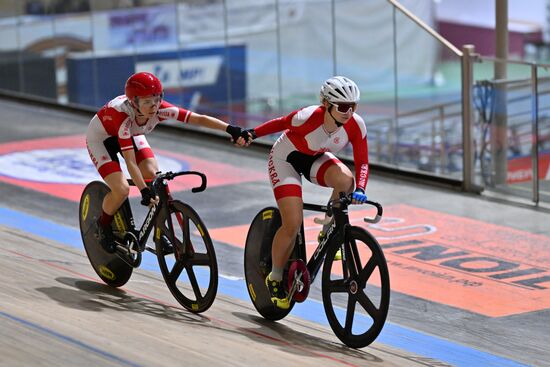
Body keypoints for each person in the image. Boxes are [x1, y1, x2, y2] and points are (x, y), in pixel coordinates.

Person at [86, 71, 249, 252]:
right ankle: (102, 225)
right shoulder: (123, 117)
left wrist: (230, 129)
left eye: (156, 99)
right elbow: (130, 162)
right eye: (147, 102)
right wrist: (143, 191)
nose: (154, 106)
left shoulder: (162, 109)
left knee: (154, 176)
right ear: (134, 102)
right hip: (102, 138)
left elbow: (198, 118)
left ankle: (158, 229)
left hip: (132, 134)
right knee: (121, 189)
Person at [244, 76, 369, 309]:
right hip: (286, 159)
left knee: (346, 181)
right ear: (326, 104)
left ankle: (327, 231)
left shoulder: (356, 124)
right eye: (343, 107)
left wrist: (360, 188)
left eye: (353, 106)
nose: (348, 112)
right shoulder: (308, 117)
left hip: (314, 157)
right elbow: (280, 123)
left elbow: (362, 162)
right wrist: (251, 133)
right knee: (292, 223)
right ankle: (275, 276)